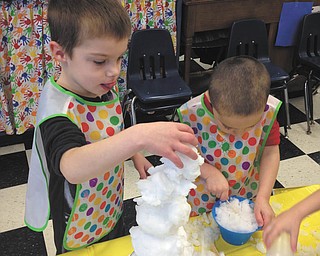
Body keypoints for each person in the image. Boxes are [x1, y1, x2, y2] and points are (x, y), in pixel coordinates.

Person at [24, 0, 198, 254]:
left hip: (109, 203)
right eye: (99, 61)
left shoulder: (98, 84)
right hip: (78, 222)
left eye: (119, 58)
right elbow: (72, 167)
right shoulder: (58, 111)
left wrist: (135, 154)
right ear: (60, 54)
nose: (114, 71)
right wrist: (139, 136)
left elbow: (109, 128)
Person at [177, 56, 281, 228]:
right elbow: (181, 155)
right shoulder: (191, 114)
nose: (239, 134)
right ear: (211, 100)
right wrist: (208, 172)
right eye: (227, 127)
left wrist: (263, 197)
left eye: (250, 127)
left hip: (246, 191)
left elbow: (270, 152)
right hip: (201, 197)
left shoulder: (267, 111)